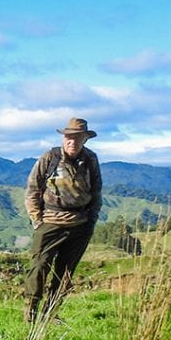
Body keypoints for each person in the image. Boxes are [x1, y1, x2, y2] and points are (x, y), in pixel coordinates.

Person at [24, 117, 102, 323]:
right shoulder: (50, 158)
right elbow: (32, 188)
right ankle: (30, 313)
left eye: (77, 138)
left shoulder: (91, 160)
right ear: (63, 138)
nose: (72, 142)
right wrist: (37, 220)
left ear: (85, 139)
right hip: (50, 221)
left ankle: (50, 314)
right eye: (69, 137)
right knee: (39, 266)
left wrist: (91, 221)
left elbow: (97, 192)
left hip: (80, 224)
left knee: (65, 272)